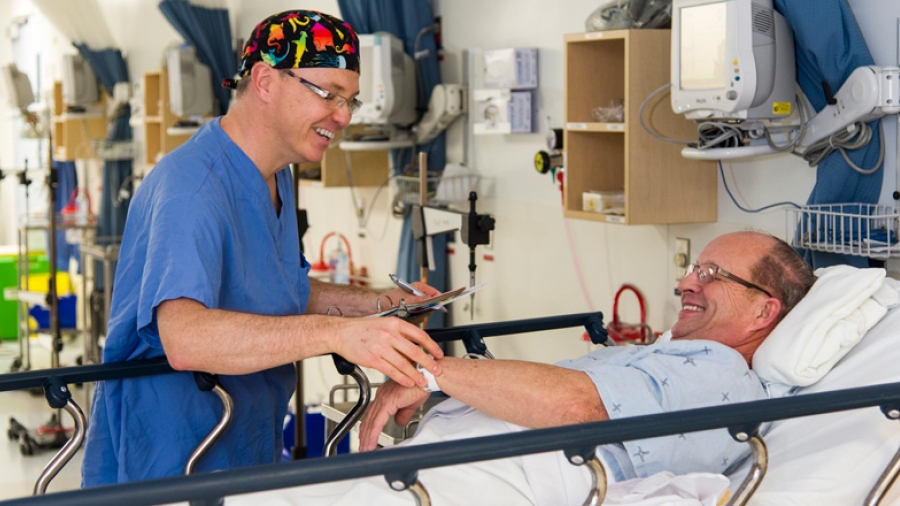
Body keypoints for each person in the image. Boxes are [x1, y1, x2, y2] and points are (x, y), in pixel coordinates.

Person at [81, 10, 445, 486]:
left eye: (350, 101)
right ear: (266, 81)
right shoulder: (192, 187)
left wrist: (381, 306)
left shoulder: (274, 175)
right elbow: (185, 338)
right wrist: (337, 335)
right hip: (173, 454)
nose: (342, 116)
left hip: (243, 438)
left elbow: (277, 288)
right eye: (329, 94)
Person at [358, 231, 815, 480]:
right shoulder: (679, 356)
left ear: (763, 311)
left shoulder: (724, 372)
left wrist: (431, 372)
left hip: (488, 479)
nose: (686, 283)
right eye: (694, 268)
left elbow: (577, 406)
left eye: (712, 273)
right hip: (442, 467)